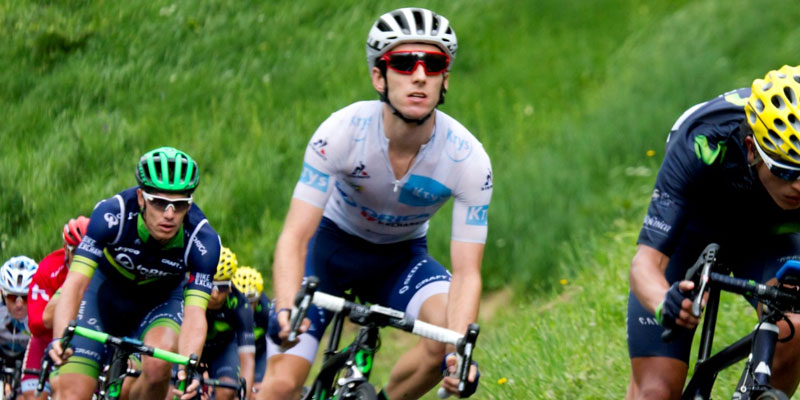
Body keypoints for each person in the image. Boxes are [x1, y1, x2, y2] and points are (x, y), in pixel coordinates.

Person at [260, 7, 491, 399]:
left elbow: (467, 273)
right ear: (378, 77)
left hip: (400, 260)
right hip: (328, 252)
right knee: (282, 384)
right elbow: (295, 237)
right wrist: (285, 309)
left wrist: (459, 353)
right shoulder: (341, 132)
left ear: (445, 80)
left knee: (442, 340)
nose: (420, 75)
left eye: (434, 64)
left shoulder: (468, 160)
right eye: (404, 63)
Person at [627, 65, 800, 399]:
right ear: (752, 148)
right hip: (695, 226)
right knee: (657, 390)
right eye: (785, 171)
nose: (799, 186)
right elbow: (644, 265)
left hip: (769, 234)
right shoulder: (701, 140)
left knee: (793, 325)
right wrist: (664, 302)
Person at [48, 146, 221, 400]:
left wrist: (188, 363)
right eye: (159, 202)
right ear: (141, 198)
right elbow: (76, 282)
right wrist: (60, 337)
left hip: (160, 303)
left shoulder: (202, 241)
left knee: (159, 365)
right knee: (73, 394)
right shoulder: (112, 215)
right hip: (103, 294)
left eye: (179, 205)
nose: (169, 214)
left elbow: (195, 313)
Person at [21, 216, 89, 400]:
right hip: (46, 340)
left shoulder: (106, 268)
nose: (84, 260)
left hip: (84, 340)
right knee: (32, 396)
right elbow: (37, 324)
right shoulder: (49, 267)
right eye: (77, 253)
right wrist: (73, 285)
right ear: (66, 249)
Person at [195, 246, 255, 400]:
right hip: (190, 345)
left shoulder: (240, 304)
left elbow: (247, 359)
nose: (214, 294)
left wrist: (245, 396)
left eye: (221, 287)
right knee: (178, 388)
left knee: (227, 390)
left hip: (222, 349)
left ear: (230, 287)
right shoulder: (187, 292)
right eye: (210, 285)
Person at [0, 256, 37, 398]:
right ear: (2, 294)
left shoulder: (43, 314)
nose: (19, 304)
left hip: (29, 358)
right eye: (12, 297)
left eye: (25, 298)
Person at [231, 266, 268, 394]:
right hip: (232, 350)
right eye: (241, 301)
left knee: (257, 390)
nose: (245, 306)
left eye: (250, 302)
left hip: (259, 353)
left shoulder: (266, 311)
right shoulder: (227, 307)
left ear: (259, 299)